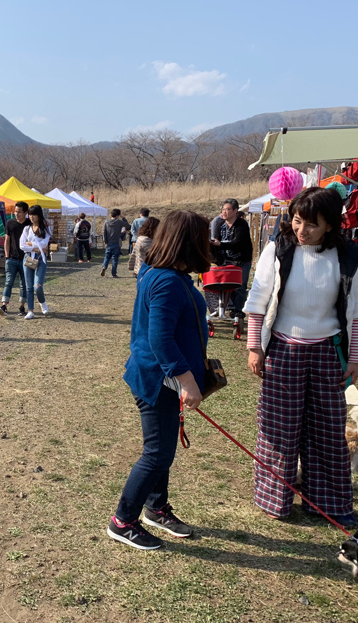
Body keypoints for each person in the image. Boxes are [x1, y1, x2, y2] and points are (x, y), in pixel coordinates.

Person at [243, 187, 358, 528]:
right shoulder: (278, 248)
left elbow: (356, 312)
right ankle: (275, 499)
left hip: (327, 352)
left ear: (330, 224)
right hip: (284, 351)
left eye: (312, 224)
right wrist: (255, 347)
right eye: (298, 221)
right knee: (279, 429)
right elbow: (257, 300)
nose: (302, 230)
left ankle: (326, 503)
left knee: (327, 430)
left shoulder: (348, 254)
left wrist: (354, 358)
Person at [108, 211, 212, 550]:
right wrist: (187, 381)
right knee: (157, 453)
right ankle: (123, 521)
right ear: (188, 242)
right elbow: (160, 340)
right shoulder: (166, 280)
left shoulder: (165, 274)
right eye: (203, 237)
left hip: (163, 379)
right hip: (158, 380)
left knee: (163, 449)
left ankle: (155, 506)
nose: (208, 243)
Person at [209, 199, 253, 319]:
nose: (225, 212)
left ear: (235, 211)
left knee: (240, 286)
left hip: (241, 260)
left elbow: (238, 243)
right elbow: (216, 240)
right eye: (223, 209)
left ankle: (238, 311)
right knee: (225, 285)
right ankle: (228, 308)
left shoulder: (241, 225)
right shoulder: (220, 224)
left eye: (228, 209)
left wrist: (220, 244)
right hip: (225, 261)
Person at [19, 205, 51, 320]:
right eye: (30, 214)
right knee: (28, 286)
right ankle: (30, 310)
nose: (31, 217)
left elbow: (44, 244)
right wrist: (35, 248)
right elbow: (22, 245)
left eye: (34, 214)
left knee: (37, 285)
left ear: (39, 215)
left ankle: (42, 303)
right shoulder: (26, 229)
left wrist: (31, 244)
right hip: (29, 257)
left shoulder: (46, 227)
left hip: (41, 258)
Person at [0, 201, 30, 316]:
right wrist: (7, 256)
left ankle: (22, 307)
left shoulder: (29, 224)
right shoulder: (10, 223)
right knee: (8, 282)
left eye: (19, 212)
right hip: (11, 258)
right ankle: (4, 305)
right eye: (15, 211)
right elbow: (7, 240)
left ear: (26, 213)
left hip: (25, 259)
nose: (17, 214)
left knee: (24, 283)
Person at [100, 209, 129, 277]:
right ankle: (114, 273)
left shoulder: (106, 222)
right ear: (118, 215)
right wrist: (123, 218)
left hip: (108, 242)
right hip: (116, 242)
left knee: (107, 256)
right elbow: (128, 226)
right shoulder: (119, 222)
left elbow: (104, 232)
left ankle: (104, 266)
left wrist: (105, 241)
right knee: (115, 258)